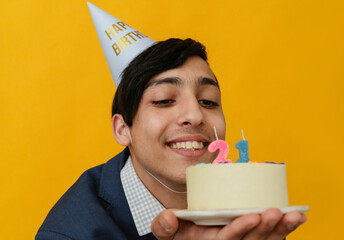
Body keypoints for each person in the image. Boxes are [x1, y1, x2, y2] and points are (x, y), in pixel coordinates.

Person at [35, 38, 307, 240]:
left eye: (208, 101)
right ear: (122, 129)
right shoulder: (69, 233)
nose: (195, 115)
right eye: (164, 100)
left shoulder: (248, 214)